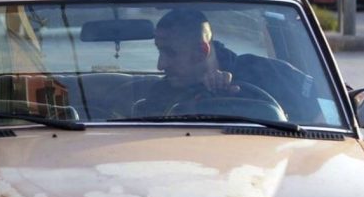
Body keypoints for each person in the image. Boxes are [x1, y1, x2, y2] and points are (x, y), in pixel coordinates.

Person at [135, 8, 320, 121]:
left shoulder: (268, 74)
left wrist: (242, 96)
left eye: (170, 52)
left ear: (201, 51)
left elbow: (323, 118)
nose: (160, 65)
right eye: (159, 51)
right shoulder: (161, 93)